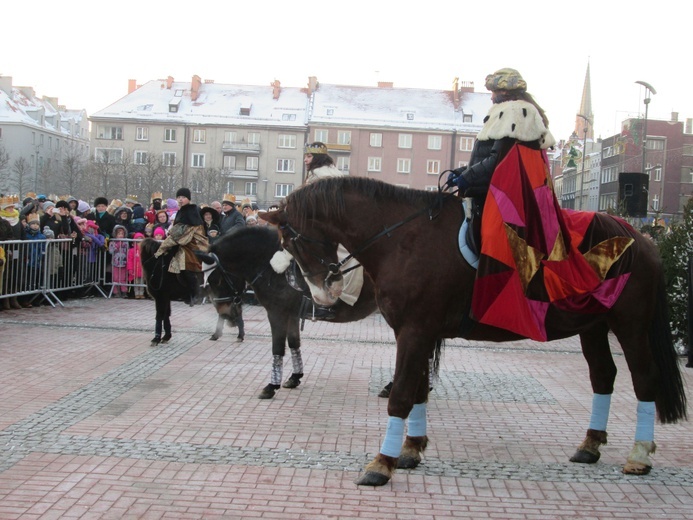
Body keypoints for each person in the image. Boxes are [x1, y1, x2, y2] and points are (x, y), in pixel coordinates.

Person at [446, 68, 555, 256]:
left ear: (504, 92)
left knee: (492, 239)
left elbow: (498, 162)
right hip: (490, 194)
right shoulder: (507, 112)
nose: (491, 97)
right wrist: (461, 172)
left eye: (493, 92)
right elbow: (490, 158)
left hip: (504, 200)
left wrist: (466, 177)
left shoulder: (514, 113)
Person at [153, 188, 209, 305]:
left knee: (187, 269)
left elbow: (182, 233)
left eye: (183, 197)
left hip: (192, 246)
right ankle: (185, 293)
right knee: (177, 270)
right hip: (183, 245)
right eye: (178, 197)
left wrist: (162, 248)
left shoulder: (192, 211)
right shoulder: (181, 211)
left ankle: (195, 294)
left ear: (188, 198)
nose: (180, 199)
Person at [109, 225, 130, 298]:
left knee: (123, 278)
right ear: (115, 234)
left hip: (123, 263)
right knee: (115, 278)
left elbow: (128, 251)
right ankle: (115, 292)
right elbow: (111, 251)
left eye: (122, 234)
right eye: (119, 234)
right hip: (115, 263)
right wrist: (117, 246)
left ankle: (124, 291)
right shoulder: (112, 242)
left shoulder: (126, 242)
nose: (121, 236)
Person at [128, 232, 146, 299]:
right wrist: (130, 269)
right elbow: (129, 260)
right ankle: (136, 293)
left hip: (142, 270)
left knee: (141, 283)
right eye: (138, 241)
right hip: (135, 270)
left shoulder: (144, 250)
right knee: (136, 283)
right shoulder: (132, 251)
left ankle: (141, 293)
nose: (139, 243)